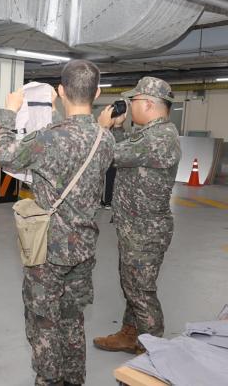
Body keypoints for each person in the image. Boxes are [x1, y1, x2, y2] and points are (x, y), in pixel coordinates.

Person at [0, 60, 115, 386]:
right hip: (84, 248)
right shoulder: (106, 140)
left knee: (44, 321)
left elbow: (2, 153)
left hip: (48, 249)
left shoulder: (49, 139)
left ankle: (48, 380)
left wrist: (9, 111)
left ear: (60, 93)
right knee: (73, 319)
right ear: (98, 92)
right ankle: (75, 379)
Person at [93, 77, 181, 354]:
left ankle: (154, 351)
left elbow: (109, 155)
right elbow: (126, 155)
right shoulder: (149, 133)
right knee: (131, 286)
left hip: (145, 229)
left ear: (148, 103)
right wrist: (117, 130)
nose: (130, 107)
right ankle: (131, 335)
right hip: (136, 225)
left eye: (133, 101)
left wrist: (100, 129)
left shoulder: (159, 137)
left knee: (141, 291)